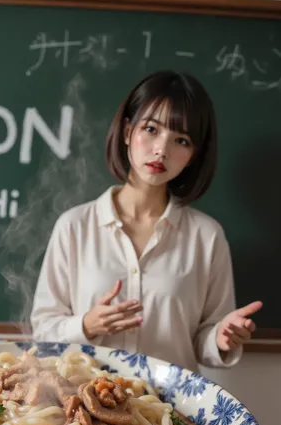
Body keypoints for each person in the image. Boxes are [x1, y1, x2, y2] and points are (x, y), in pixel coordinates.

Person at [30, 70, 262, 372]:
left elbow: (203, 339)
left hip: (169, 410)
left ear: (193, 155)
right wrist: (86, 324)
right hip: (85, 406)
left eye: (181, 140)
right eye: (151, 129)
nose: (161, 150)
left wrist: (220, 337)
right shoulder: (75, 226)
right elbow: (43, 330)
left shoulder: (207, 236)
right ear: (128, 131)